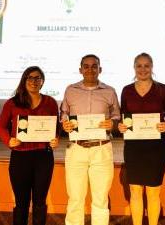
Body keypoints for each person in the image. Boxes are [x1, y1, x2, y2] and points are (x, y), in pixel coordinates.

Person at [60, 54, 120, 225]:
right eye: (86, 66)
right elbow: (64, 114)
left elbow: (117, 117)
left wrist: (113, 123)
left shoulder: (110, 91)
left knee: (100, 200)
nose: (90, 69)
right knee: (75, 199)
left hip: (101, 149)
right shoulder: (70, 90)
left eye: (94, 66)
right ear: (80, 70)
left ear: (100, 69)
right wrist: (65, 123)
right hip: (76, 149)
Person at [118, 52, 165, 225]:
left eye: (146, 65)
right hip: (134, 148)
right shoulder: (126, 90)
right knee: (135, 190)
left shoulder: (163, 89)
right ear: (134, 68)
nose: (143, 69)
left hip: (156, 148)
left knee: (153, 191)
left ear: (152, 67)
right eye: (139, 66)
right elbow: (124, 117)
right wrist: (121, 126)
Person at [0, 66, 59, 225]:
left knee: (39, 202)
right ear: (24, 80)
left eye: (37, 78)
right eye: (30, 78)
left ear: (42, 81)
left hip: (43, 157)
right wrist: (8, 140)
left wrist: (55, 138)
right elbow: (1, 127)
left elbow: (55, 127)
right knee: (22, 203)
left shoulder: (50, 102)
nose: (34, 81)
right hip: (20, 156)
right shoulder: (12, 103)